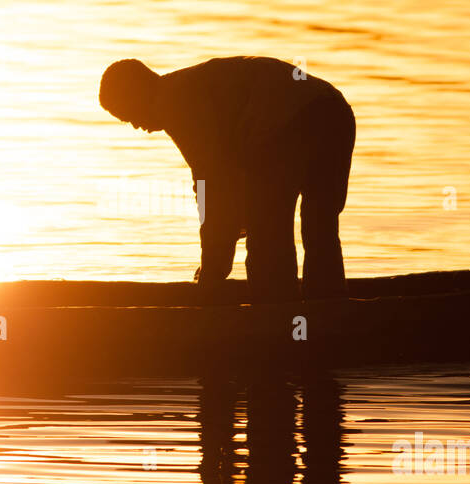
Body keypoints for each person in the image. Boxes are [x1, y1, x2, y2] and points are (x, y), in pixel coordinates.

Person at [99, 56, 355, 303]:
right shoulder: (183, 89)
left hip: (289, 126)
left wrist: (212, 271)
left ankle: (277, 317)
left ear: (138, 95)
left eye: (128, 114)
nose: (134, 125)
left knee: (267, 231)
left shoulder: (176, 103)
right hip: (334, 110)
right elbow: (224, 188)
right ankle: (326, 309)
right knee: (320, 224)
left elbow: (213, 186)